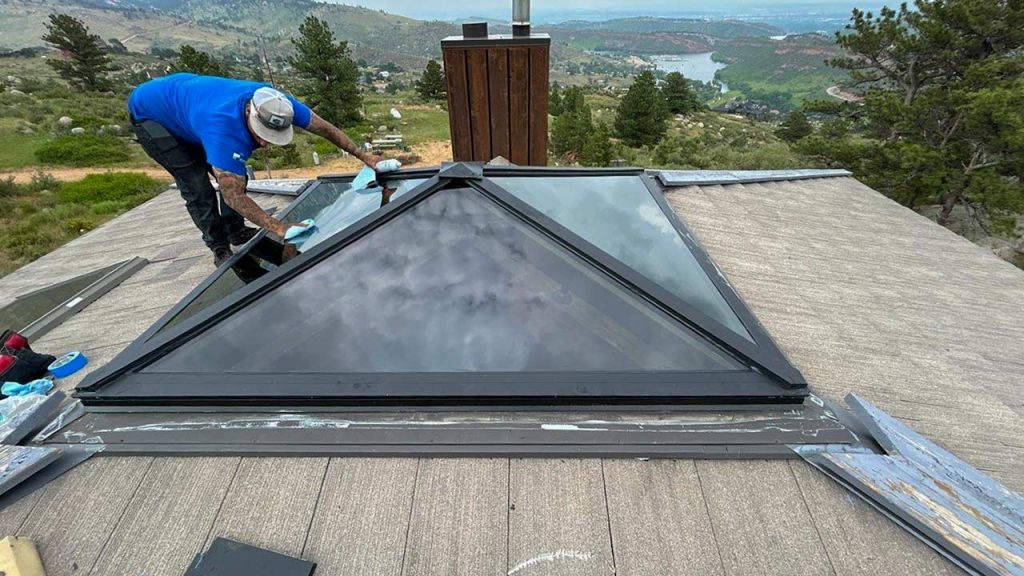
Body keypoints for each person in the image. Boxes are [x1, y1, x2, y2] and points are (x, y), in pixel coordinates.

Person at [128, 73, 383, 266]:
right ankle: (219, 247)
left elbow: (325, 128)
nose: (263, 142)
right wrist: (278, 227)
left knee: (234, 170)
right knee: (197, 185)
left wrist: (364, 156)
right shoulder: (222, 127)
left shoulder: (278, 104)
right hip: (152, 116)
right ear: (249, 112)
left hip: (188, 105)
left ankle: (236, 230)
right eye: (260, 134)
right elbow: (232, 195)